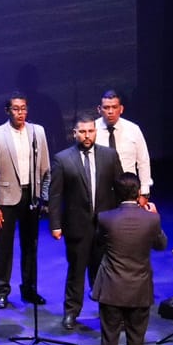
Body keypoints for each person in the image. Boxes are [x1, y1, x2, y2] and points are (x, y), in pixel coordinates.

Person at [85, 173, 168, 345]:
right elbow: (161, 245)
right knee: (136, 339)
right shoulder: (152, 219)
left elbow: (99, 243)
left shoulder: (105, 218)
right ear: (138, 192)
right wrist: (154, 217)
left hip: (111, 288)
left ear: (116, 193)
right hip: (139, 290)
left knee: (109, 338)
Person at [48, 111, 123, 331]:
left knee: (104, 271)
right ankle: (71, 311)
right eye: (82, 131)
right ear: (74, 133)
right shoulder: (62, 159)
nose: (87, 135)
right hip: (76, 225)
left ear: (95, 131)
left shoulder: (109, 155)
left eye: (90, 131)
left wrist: (121, 218)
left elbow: (119, 189)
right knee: (76, 270)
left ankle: (107, 312)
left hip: (104, 225)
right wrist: (55, 224)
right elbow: (55, 195)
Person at [0, 92, 51, 309]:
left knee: (30, 245)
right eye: (15, 108)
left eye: (23, 108)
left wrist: (45, 197)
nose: (20, 112)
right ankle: (2, 291)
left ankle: (29, 289)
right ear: (7, 111)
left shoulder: (37, 132)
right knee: (4, 247)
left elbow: (45, 169)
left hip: (31, 196)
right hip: (6, 198)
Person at [95, 89, 152, 205]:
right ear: (99, 109)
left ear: (121, 109)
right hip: (101, 191)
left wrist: (145, 193)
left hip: (129, 191)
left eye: (114, 107)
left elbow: (143, 162)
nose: (110, 111)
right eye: (106, 107)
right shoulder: (92, 130)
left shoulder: (133, 129)